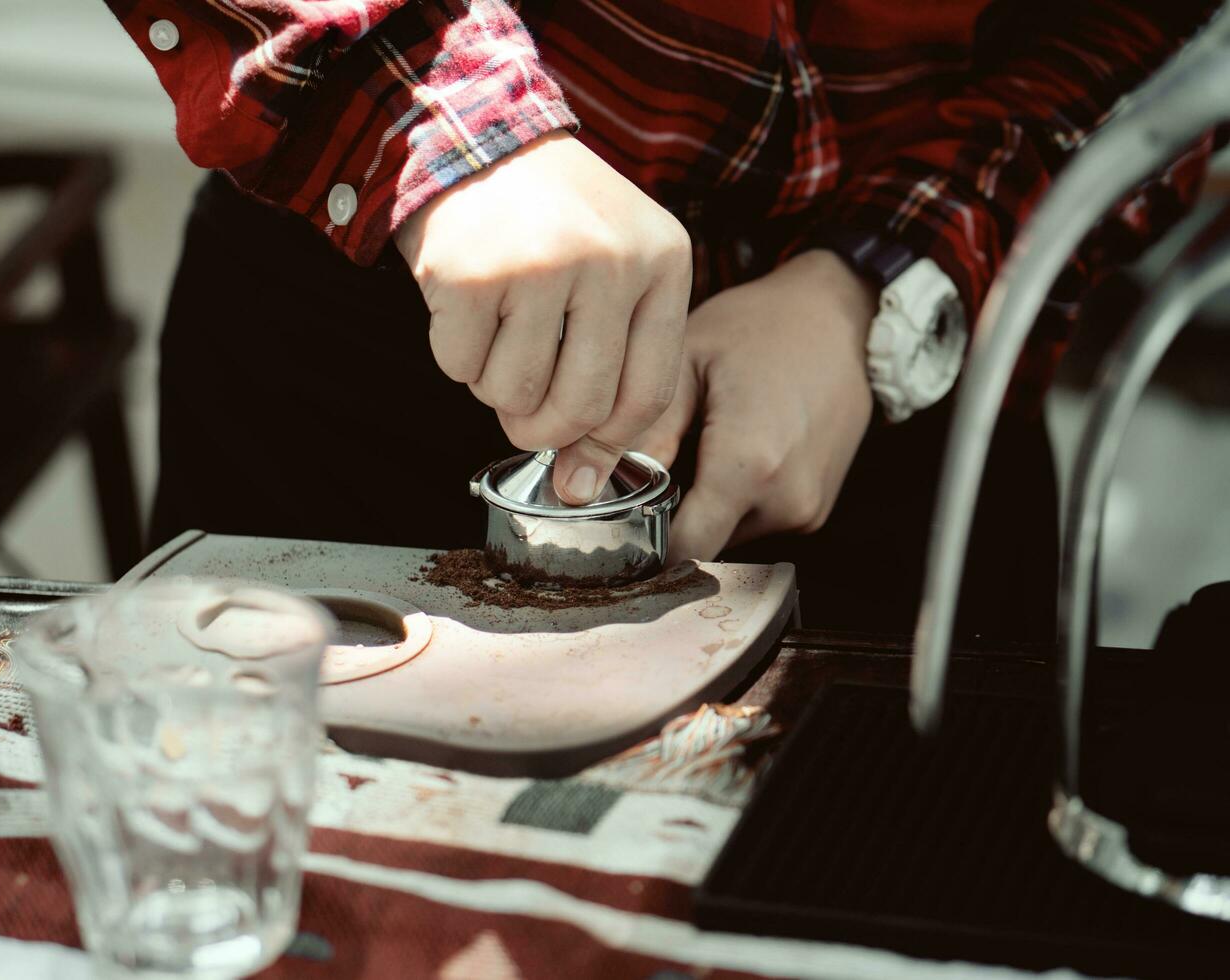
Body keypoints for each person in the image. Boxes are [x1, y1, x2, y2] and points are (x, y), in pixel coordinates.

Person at [106, 0, 1219, 638]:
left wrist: (872, 287)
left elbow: (1160, 22)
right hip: (364, 302)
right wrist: (426, 108)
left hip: (891, 392)